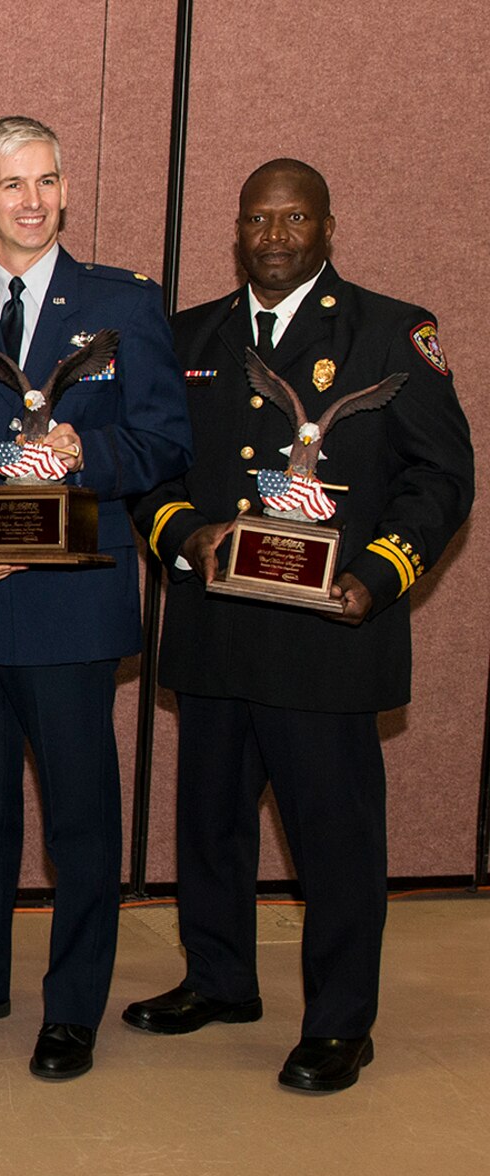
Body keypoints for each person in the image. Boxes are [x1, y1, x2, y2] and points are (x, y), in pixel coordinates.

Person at [125, 159, 472, 1092]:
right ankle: (219, 976)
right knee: (210, 824)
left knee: (335, 838)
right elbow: (149, 468)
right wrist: (183, 535)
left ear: (327, 225)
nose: (275, 236)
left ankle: (339, 1022)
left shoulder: (393, 333)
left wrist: (377, 576)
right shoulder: (188, 334)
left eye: (295, 218)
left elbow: (441, 478)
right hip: (216, 629)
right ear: (238, 230)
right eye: (258, 220)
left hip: (329, 637)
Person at [0, 115, 192, 1079]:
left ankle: (73, 1006)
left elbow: (162, 444)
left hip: (74, 603)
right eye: (11, 184)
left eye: (48, 181)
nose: (31, 200)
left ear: (65, 192)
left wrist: (84, 452)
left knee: (79, 818)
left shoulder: (125, 305)